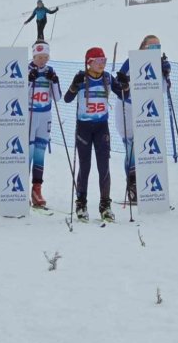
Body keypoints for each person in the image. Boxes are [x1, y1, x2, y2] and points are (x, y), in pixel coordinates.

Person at [63, 47, 124, 222]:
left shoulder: (107, 78)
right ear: (89, 63)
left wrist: (124, 84)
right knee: (85, 165)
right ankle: (81, 203)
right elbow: (67, 99)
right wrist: (74, 86)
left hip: (101, 127)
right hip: (84, 128)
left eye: (104, 61)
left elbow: (123, 94)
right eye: (98, 62)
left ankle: (105, 205)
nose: (101, 65)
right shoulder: (82, 78)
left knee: (103, 166)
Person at [114, 35, 172, 204]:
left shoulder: (158, 64)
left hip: (148, 113)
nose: (154, 49)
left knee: (146, 147)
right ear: (143, 47)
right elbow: (119, 84)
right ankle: (132, 187)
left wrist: (165, 73)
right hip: (127, 108)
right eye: (151, 46)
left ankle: (149, 188)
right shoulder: (132, 61)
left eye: (157, 46)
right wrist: (124, 83)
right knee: (131, 147)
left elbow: (163, 89)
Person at [27, 40, 62, 208]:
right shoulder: (27, 69)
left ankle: (37, 189)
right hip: (30, 114)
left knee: (40, 153)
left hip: (45, 115)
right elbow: (18, 94)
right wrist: (28, 81)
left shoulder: (50, 70)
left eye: (45, 57)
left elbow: (57, 97)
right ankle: (20, 190)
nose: (42, 60)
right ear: (34, 55)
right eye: (39, 57)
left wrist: (54, 80)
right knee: (28, 153)